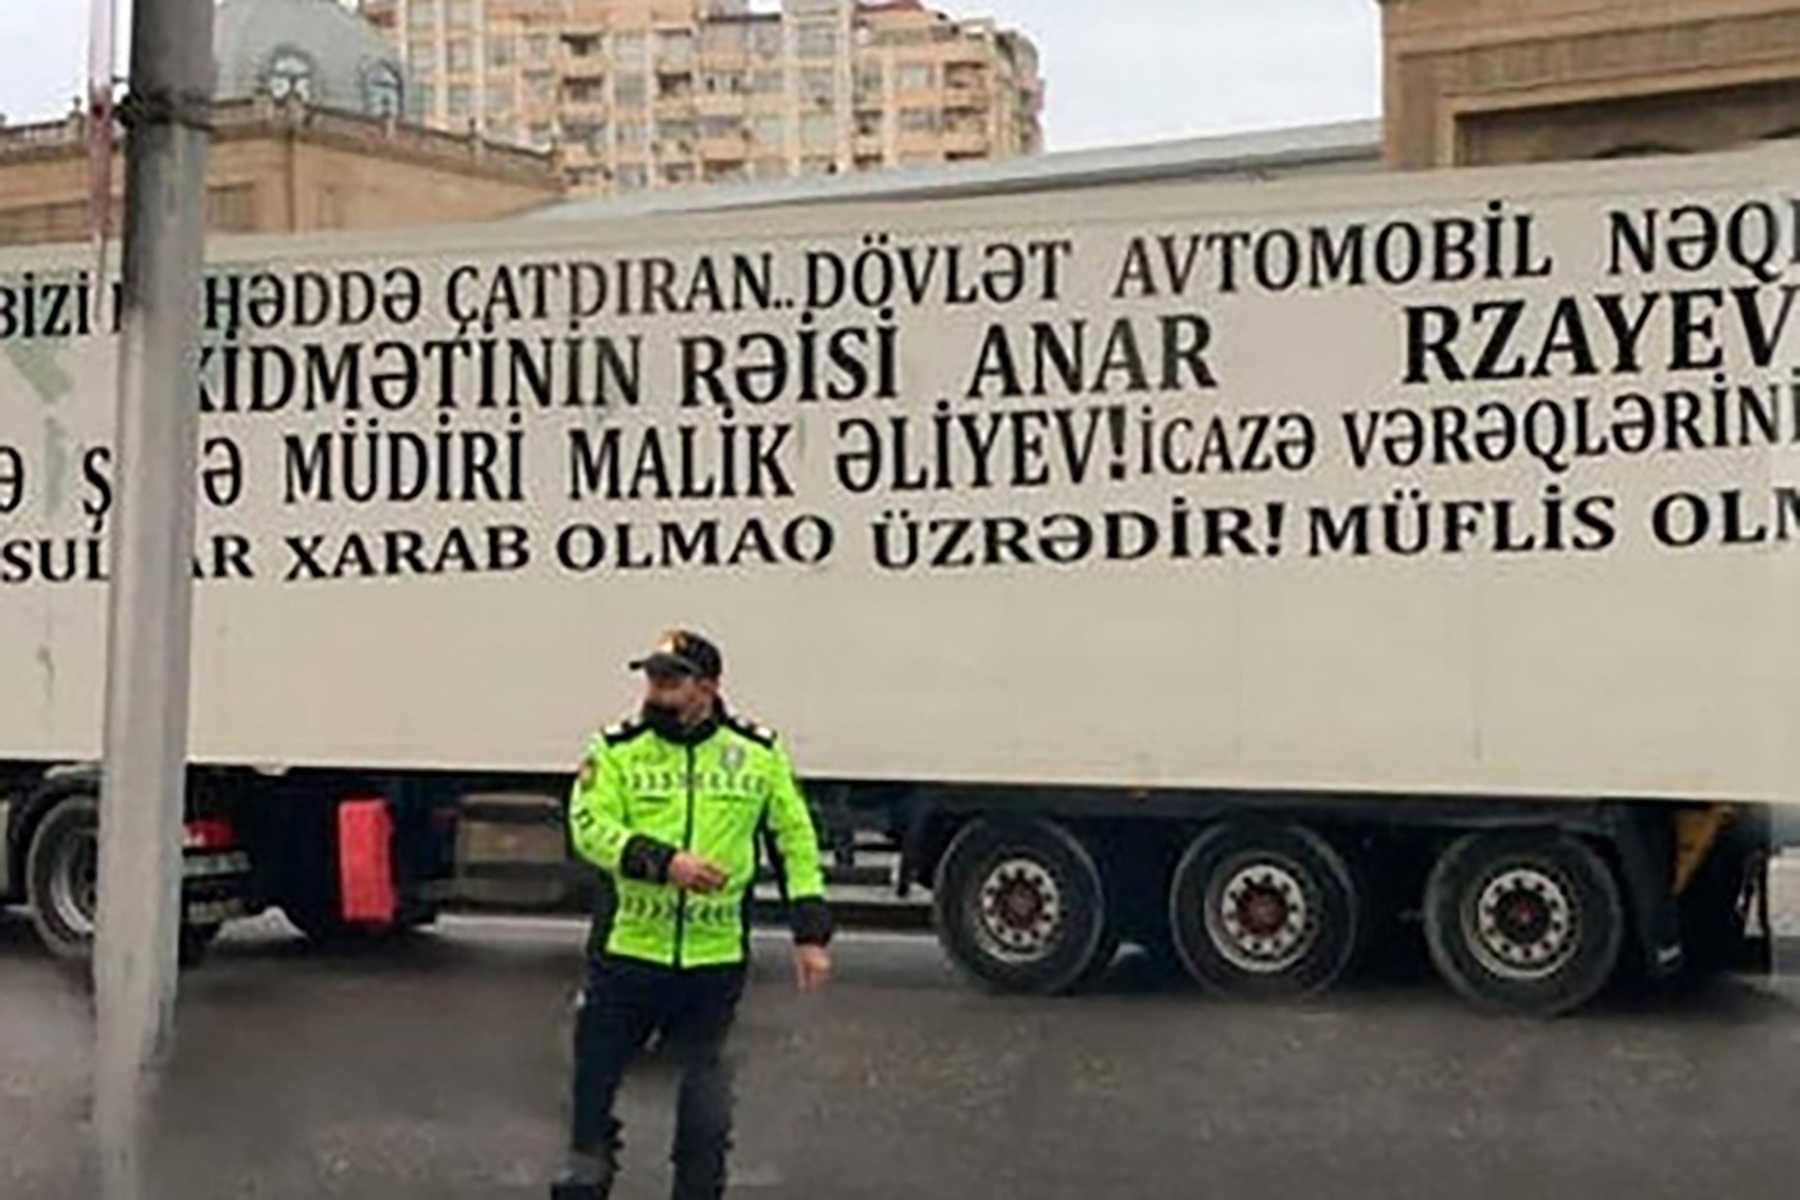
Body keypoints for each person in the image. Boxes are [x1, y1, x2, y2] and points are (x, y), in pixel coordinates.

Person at [554, 629, 833, 1200]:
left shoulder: (756, 753)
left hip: (713, 960)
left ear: (707, 687)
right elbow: (588, 828)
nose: (656, 691)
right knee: (592, 1093)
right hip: (627, 952)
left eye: (672, 680)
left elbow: (793, 839)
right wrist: (663, 863)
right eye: (652, 678)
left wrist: (810, 933)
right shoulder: (617, 748)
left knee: (705, 1107)